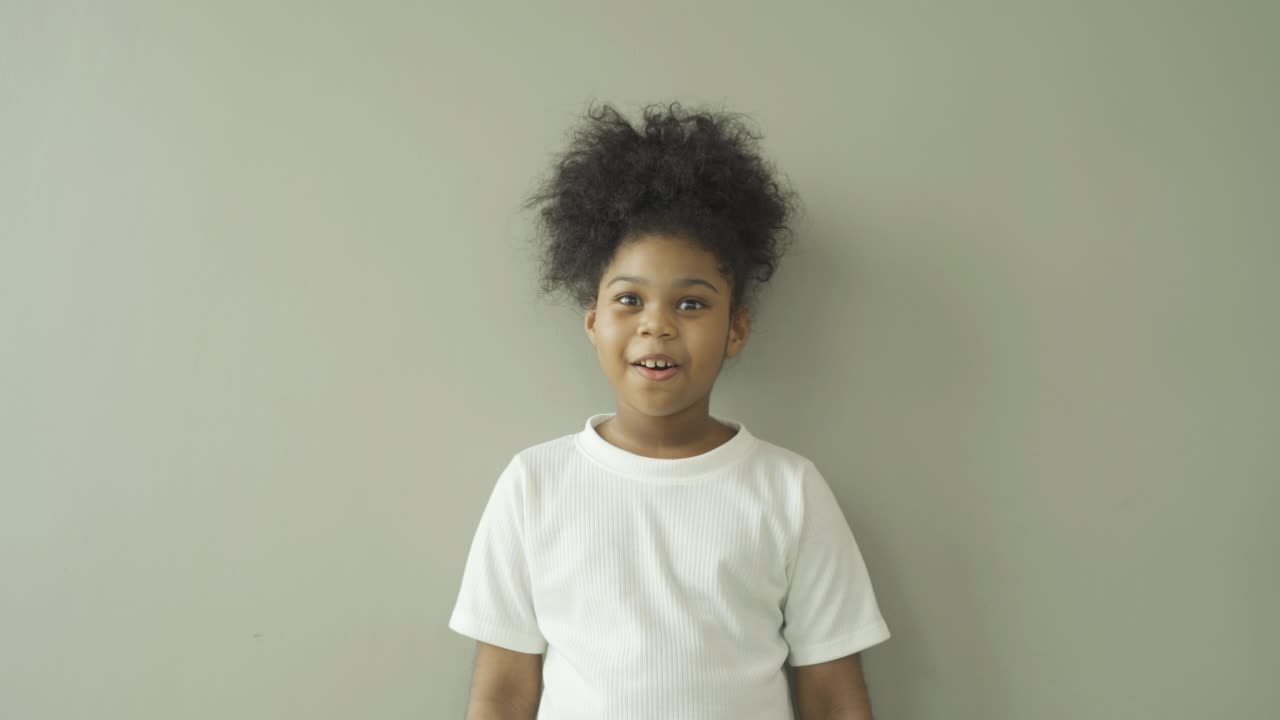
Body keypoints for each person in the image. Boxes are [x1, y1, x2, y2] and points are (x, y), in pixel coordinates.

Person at [448, 100, 891, 719]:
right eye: (629, 299)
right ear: (594, 322)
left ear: (736, 330)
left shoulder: (789, 490)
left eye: (691, 304)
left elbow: (833, 694)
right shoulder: (534, 483)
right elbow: (502, 691)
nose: (656, 326)